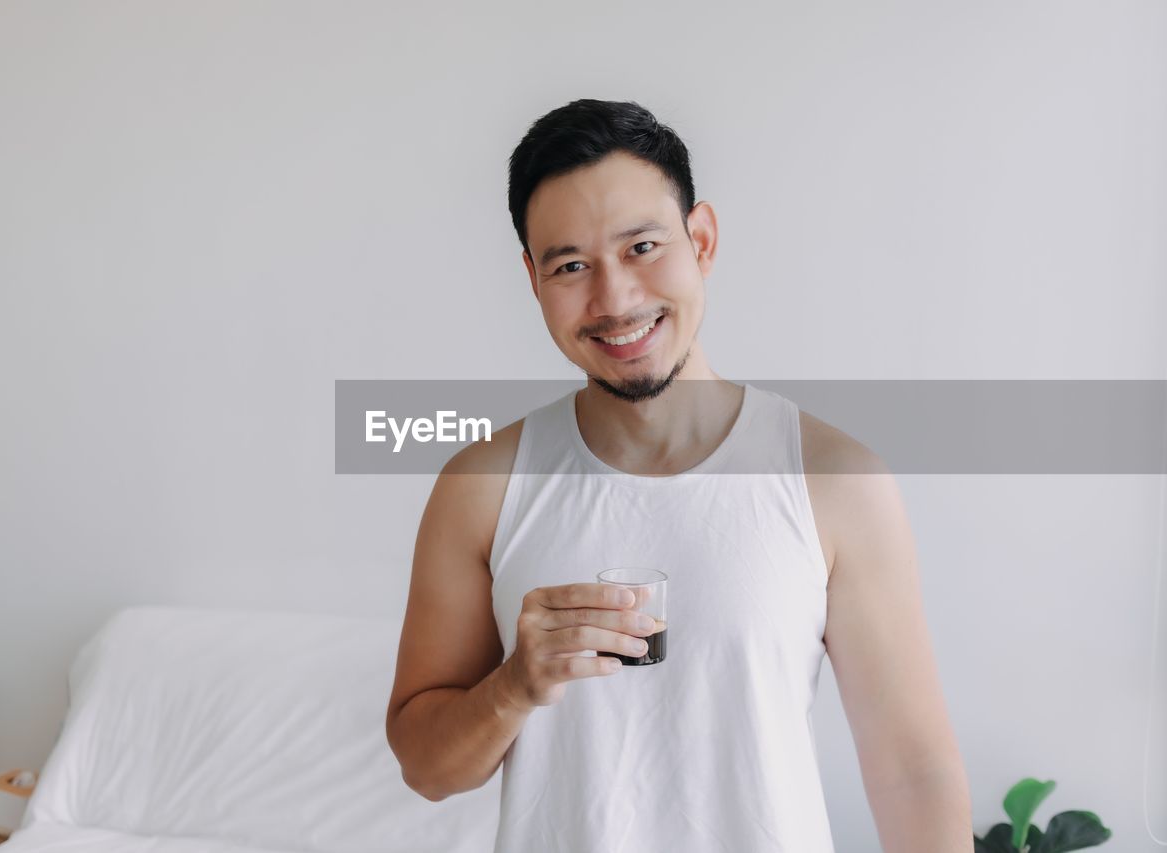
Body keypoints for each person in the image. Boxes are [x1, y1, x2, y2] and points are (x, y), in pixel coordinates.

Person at [385, 98, 972, 852]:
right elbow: (427, 768)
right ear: (533, 279)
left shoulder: (833, 478)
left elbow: (911, 771)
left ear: (701, 239)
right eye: (570, 266)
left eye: (641, 247)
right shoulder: (483, 483)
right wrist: (512, 687)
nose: (615, 299)